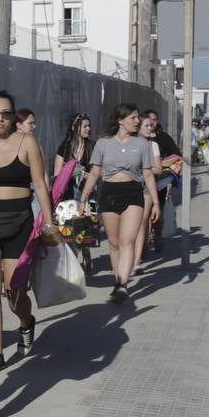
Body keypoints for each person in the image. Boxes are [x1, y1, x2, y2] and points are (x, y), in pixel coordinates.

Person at [0, 90, 58, 374]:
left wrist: (49, 220)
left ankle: (26, 322)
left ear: (13, 116)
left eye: (6, 114)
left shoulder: (26, 142)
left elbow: (41, 185)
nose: (0, 119)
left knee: (14, 290)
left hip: (20, 221)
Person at [78, 103, 159, 302]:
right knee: (114, 243)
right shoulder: (103, 144)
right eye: (133, 117)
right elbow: (95, 172)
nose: (137, 121)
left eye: (138, 117)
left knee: (126, 241)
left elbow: (148, 174)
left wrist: (156, 203)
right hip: (109, 193)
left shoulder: (142, 144)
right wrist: (83, 198)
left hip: (133, 193)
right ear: (120, 120)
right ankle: (118, 281)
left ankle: (122, 284)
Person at [54, 112, 95, 272]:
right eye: (84, 126)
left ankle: (86, 253)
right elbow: (57, 173)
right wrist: (70, 171)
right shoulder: (65, 147)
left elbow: (97, 170)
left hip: (87, 192)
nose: (88, 129)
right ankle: (73, 264)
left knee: (85, 227)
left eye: (89, 126)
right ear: (74, 128)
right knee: (69, 230)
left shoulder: (92, 146)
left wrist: (84, 173)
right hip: (68, 194)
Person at [140, 110, 182, 255]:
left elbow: (177, 156)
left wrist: (162, 167)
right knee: (143, 218)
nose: (151, 123)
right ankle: (142, 249)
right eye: (148, 120)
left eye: (154, 120)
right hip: (141, 184)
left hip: (160, 182)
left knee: (157, 215)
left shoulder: (163, 138)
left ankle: (157, 235)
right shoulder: (137, 138)